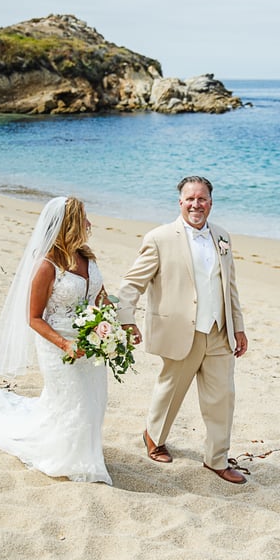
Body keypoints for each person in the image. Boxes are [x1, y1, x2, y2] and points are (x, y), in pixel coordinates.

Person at [0, 197, 113, 485]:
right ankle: (70, 458)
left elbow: (101, 296)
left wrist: (112, 326)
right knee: (74, 401)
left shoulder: (88, 257)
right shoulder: (48, 265)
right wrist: (65, 344)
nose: (89, 223)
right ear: (69, 223)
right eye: (84, 218)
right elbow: (34, 317)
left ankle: (86, 450)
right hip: (59, 344)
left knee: (95, 399)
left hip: (91, 342)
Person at [117, 176, 249, 484]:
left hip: (218, 331)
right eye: (190, 199)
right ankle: (154, 436)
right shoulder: (160, 238)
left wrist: (238, 327)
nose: (196, 204)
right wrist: (126, 318)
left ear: (211, 203)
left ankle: (216, 459)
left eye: (202, 199)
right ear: (180, 202)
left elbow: (230, 287)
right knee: (171, 390)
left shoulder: (222, 236)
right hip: (180, 331)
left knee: (222, 398)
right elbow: (132, 282)